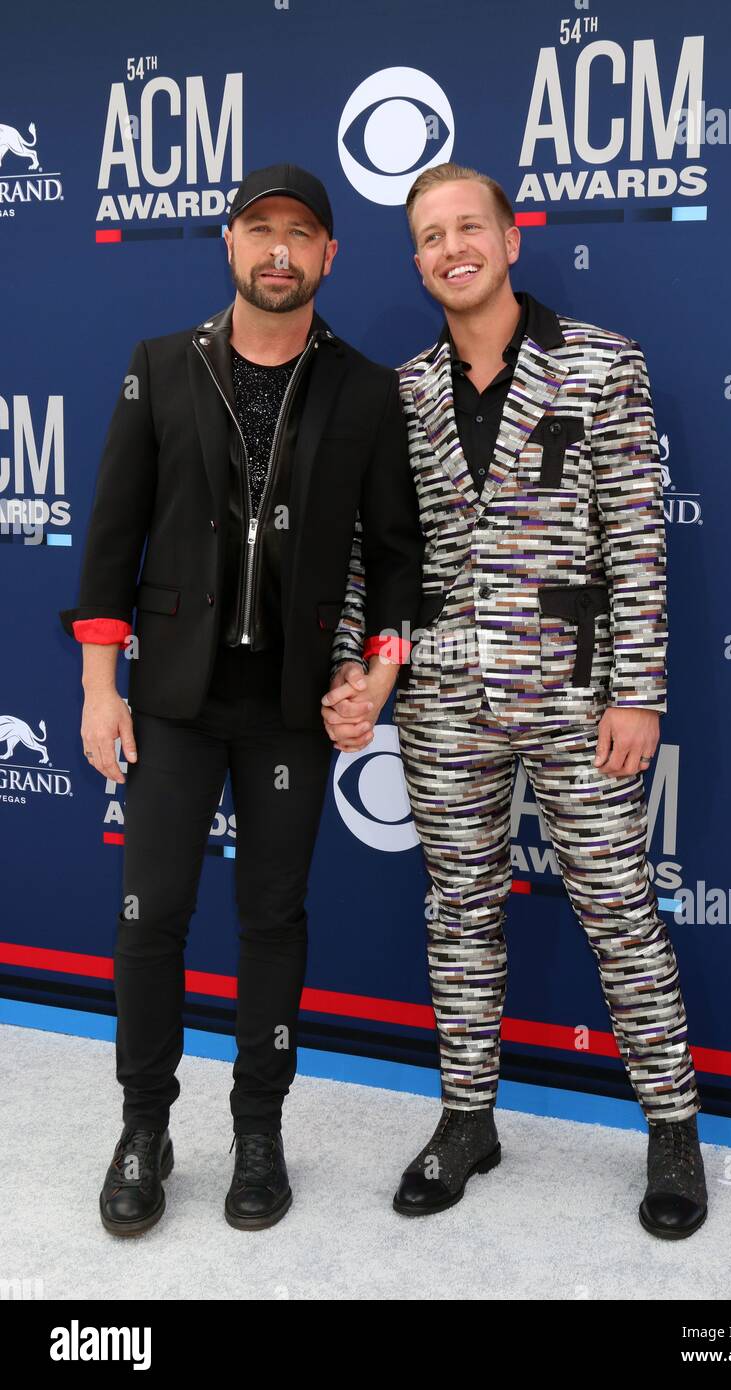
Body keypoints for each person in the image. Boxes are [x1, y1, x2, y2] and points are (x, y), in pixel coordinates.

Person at [322, 161, 707, 1239]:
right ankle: (467, 1118)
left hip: (580, 695)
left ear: (509, 238)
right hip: (443, 696)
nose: (452, 248)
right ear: (416, 262)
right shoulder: (401, 393)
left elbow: (637, 537)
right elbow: (379, 560)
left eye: (467, 227)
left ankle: (672, 1126)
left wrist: (639, 692)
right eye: (430, 237)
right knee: (459, 911)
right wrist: (357, 666)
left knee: (616, 906)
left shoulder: (600, 363)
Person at [59, 162, 422, 1235]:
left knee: (271, 918)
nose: (278, 250)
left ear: (328, 256)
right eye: (260, 229)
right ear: (229, 243)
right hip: (173, 701)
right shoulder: (160, 367)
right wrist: (99, 689)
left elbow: (398, 561)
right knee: (152, 915)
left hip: (290, 709)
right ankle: (144, 1125)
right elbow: (111, 541)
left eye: (299, 234)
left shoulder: (365, 389)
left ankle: (258, 1130)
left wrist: (380, 674)